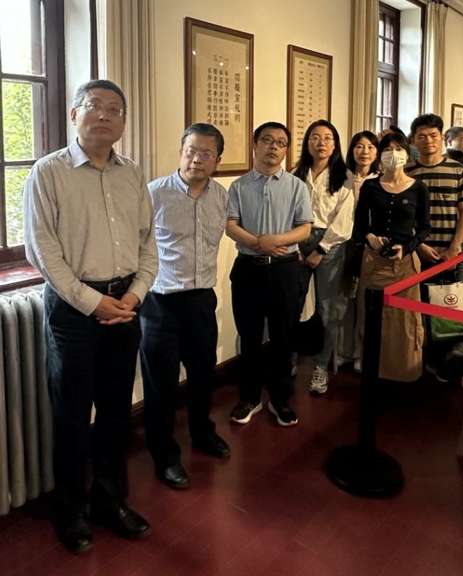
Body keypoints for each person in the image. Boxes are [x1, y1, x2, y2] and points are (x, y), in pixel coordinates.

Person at [23, 79, 158, 553]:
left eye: (114, 109)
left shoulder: (133, 174)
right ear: (74, 114)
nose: (104, 115)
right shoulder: (47, 173)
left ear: (123, 122)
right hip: (73, 312)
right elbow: (43, 252)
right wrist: (91, 301)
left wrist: (135, 295)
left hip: (126, 307)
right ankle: (71, 510)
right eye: (94, 106)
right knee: (72, 414)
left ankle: (109, 500)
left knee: (117, 410)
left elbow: (148, 243)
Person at [140, 123, 231, 491]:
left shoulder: (221, 196)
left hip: (201, 300)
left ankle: (202, 433)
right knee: (160, 386)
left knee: (203, 375)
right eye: (191, 151)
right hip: (160, 303)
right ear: (181, 153)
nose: (197, 159)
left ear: (217, 160)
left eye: (206, 153)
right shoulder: (154, 194)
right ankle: (164, 456)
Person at [226, 122, 313, 427]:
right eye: (267, 140)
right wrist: (258, 243)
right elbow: (231, 225)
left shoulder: (296, 186)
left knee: (282, 338)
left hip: (285, 270)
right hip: (248, 269)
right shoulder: (238, 186)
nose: (273, 147)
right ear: (255, 144)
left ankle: (280, 399)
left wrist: (276, 241)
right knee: (249, 336)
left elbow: (305, 228)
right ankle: (250, 398)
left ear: (286, 149)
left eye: (280, 142)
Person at [355, 132, 431, 381]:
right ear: (380, 155)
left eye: (398, 149)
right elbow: (359, 225)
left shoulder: (418, 188)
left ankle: (404, 372)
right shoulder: (370, 186)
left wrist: (407, 247)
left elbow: (424, 228)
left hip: (405, 264)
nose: (393, 154)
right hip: (374, 261)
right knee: (372, 317)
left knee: (404, 320)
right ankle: (373, 372)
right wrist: (370, 237)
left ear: (407, 154)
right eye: (387, 149)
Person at [406, 113, 463, 383]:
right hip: (418, 252)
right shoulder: (408, 172)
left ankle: (443, 358)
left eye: (433, 135)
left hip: (449, 252)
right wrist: (419, 245)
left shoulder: (457, 170)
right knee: (419, 307)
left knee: (448, 306)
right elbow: (406, 216)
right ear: (413, 140)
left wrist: (455, 247)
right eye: (422, 136)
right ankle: (421, 359)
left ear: (442, 138)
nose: (428, 141)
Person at [293, 120, 355, 395]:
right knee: (293, 305)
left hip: (329, 245)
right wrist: (293, 245)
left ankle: (320, 366)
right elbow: (287, 211)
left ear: (335, 144)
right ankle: (290, 360)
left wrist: (321, 249)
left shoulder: (343, 175)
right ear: (307, 143)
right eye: (315, 137)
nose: (321, 143)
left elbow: (344, 219)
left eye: (327, 138)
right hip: (297, 240)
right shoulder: (296, 173)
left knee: (326, 309)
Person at [338, 131, 380, 373]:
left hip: (368, 245)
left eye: (370, 147)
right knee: (342, 300)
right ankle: (342, 351)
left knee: (363, 301)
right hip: (340, 243)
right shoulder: (341, 177)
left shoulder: (381, 180)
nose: (365, 152)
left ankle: (360, 353)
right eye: (359, 146)